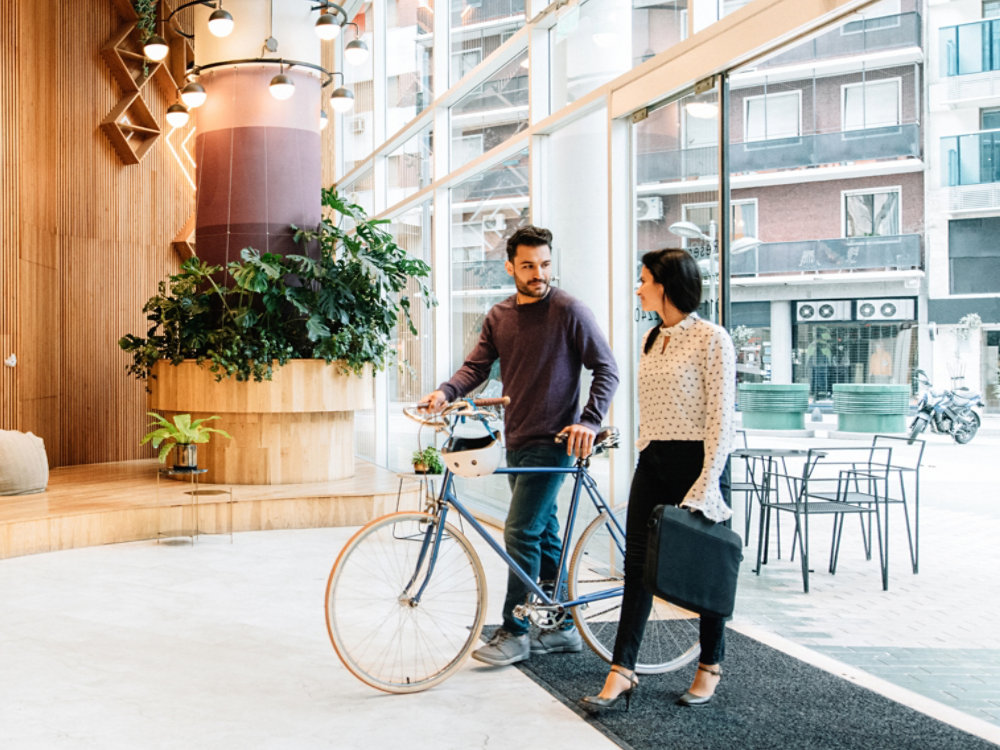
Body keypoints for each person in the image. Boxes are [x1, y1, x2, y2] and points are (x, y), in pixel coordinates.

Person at [420, 224, 619, 667]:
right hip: (518, 438)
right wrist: (446, 393)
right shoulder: (499, 316)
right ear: (510, 266)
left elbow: (607, 370)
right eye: (528, 265)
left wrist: (588, 422)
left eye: (545, 264)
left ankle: (515, 630)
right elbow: (477, 367)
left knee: (520, 530)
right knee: (543, 531)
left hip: (556, 442)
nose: (539, 273)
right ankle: (563, 627)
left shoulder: (570, 311)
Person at [580, 247, 735, 711]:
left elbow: (721, 419)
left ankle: (710, 664)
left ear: (665, 284)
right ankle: (621, 670)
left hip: (699, 463)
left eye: (644, 279)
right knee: (638, 569)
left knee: (704, 571)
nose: (638, 286)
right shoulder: (650, 338)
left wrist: (707, 483)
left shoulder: (712, 339)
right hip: (653, 461)